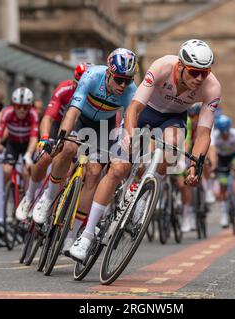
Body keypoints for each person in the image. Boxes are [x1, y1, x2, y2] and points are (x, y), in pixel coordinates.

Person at [70, 39, 221, 261]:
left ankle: (143, 198)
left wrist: (194, 166)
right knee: (118, 168)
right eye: (194, 72)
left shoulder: (212, 87)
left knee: (173, 145)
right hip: (145, 112)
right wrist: (130, 135)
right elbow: (135, 107)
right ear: (180, 66)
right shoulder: (162, 66)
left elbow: (204, 133)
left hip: (173, 118)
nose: (199, 79)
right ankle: (87, 235)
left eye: (204, 73)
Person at [30, 49, 138, 259]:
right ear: (108, 73)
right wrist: (63, 137)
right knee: (68, 147)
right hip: (82, 118)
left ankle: (72, 235)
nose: (122, 85)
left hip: (104, 126)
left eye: (127, 80)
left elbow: (127, 124)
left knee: (95, 171)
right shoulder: (92, 76)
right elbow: (73, 112)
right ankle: (48, 196)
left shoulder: (129, 91)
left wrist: (128, 145)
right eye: (119, 79)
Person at [15, 62, 90, 221]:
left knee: (71, 168)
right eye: (79, 83)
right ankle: (29, 197)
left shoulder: (95, 95)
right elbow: (48, 117)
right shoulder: (65, 89)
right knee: (45, 157)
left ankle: (56, 206)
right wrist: (43, 139)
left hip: (79, 127)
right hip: (58, 124)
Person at [0, 87, 39, 186]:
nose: (22, 110)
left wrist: (28, 155)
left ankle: (27, 199)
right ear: (13, 105)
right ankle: (3, 195)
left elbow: (34, 137)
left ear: (30, 106)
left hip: (27, 144)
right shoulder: (7, 112)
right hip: (13, 144)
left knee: (26, 172)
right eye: (18, 106)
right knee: (7, 170)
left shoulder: (33, 114)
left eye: (26, 107)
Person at [209, 115, 235, 228]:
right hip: (222, 158)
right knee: (223, 185)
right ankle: (223, 215)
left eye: (226, 132)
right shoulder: (216, 136)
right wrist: (213, 166)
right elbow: (213, 152)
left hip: (234, 156)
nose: (225, 135)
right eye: (222, 132)